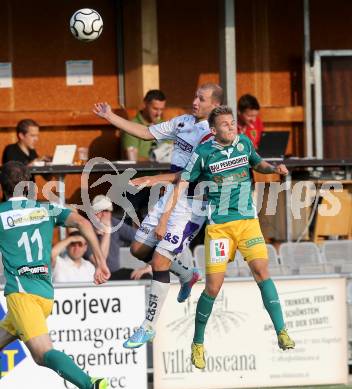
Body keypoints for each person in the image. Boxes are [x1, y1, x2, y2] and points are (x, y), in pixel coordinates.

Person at [158, 105, 295, 369]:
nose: (232, 127)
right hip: (220, 227)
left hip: (247, 222)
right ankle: (198, 342)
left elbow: (258, 163)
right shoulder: (203, 153)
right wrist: (164, 218)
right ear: (213, 130)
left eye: (232, 123)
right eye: (225, 124)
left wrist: (274, 169)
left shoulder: (244, 142)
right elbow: (182, 183)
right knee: (213, 287)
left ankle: (281, 331)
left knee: (261, 269)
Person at [93, 83, 223, 348]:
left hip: (192, 204)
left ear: (214, 105)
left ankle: (148, 326)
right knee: (140, 250)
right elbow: (145, 132)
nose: (195, 101)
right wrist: (110, 117)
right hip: (171, 195)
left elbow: (189, 176)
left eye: (202, 98)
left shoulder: (213, 136)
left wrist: (155, 178)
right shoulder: (183, 122)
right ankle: (188, 275)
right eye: (195, 95)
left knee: (160, 261)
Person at [0, 161, 110, 389]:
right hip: (44, 295)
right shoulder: (47, 209)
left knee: (42, 354)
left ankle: (91, 385)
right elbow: (82, 222)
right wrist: (100, 261)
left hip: (22, 295)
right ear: (30, 185)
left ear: (3, 186)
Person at [90, 195, 152, 280]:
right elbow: (100, 263)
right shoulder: (86, 229)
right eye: (99, 211)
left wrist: (148, 267)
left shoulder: (114, 223)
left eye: (107, 211)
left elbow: (145, 240)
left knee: (145, 277)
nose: (104, 214)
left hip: (115, 273)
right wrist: (107, 232)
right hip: (94, 275)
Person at [121, 89, 166, 161]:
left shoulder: (164, 125)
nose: (159, 113)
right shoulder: (131, 127)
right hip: (142, 171)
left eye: (161, 109)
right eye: (155, 109)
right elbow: (132, 159)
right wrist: (156, 162)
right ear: (145, 104)